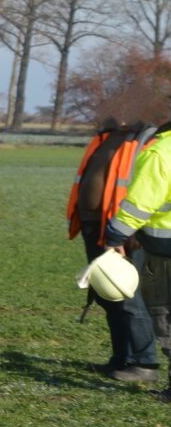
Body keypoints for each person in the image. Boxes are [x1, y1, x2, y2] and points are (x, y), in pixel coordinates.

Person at [69, 123, 159, 382]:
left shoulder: (147, 141)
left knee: (129, 298)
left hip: (125, 234)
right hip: (98, 229)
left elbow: (145, 193)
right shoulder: (106, 139)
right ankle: (122, 358)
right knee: (108, 297)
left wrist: (127, 231)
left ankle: (145, 364)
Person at [105, 125, 171, 401]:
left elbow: (140, 204)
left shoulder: (161, 152)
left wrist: (115, 234)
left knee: (165, 316)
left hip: (164, 253)